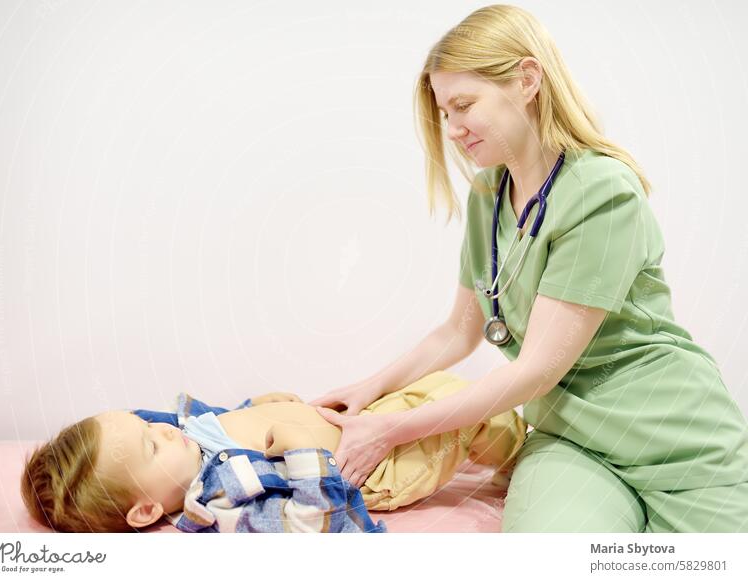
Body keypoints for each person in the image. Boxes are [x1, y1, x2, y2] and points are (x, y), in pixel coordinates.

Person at [310, 4, 748, 533]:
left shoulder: (602, 194)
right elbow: (458, 332)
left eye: (463, 105)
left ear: (526, 79)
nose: (451, 129)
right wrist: (368, 389)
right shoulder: (487, 195)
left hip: (672, 438)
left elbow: (536, 368)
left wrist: (390, 429)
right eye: (444, 113)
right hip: (570, 440)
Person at [21, 373, 526, 532]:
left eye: (144, 425)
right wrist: (304, 452)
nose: (163, 432)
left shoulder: (189, 434)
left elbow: (228, 422)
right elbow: (310, 524)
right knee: (480, 415)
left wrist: (256, 406)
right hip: (375, 467)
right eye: (150, 446)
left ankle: (513, 446)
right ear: (146, 509)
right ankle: (530, 460)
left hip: (364, 426)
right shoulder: (217, 499)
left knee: (442, 384)